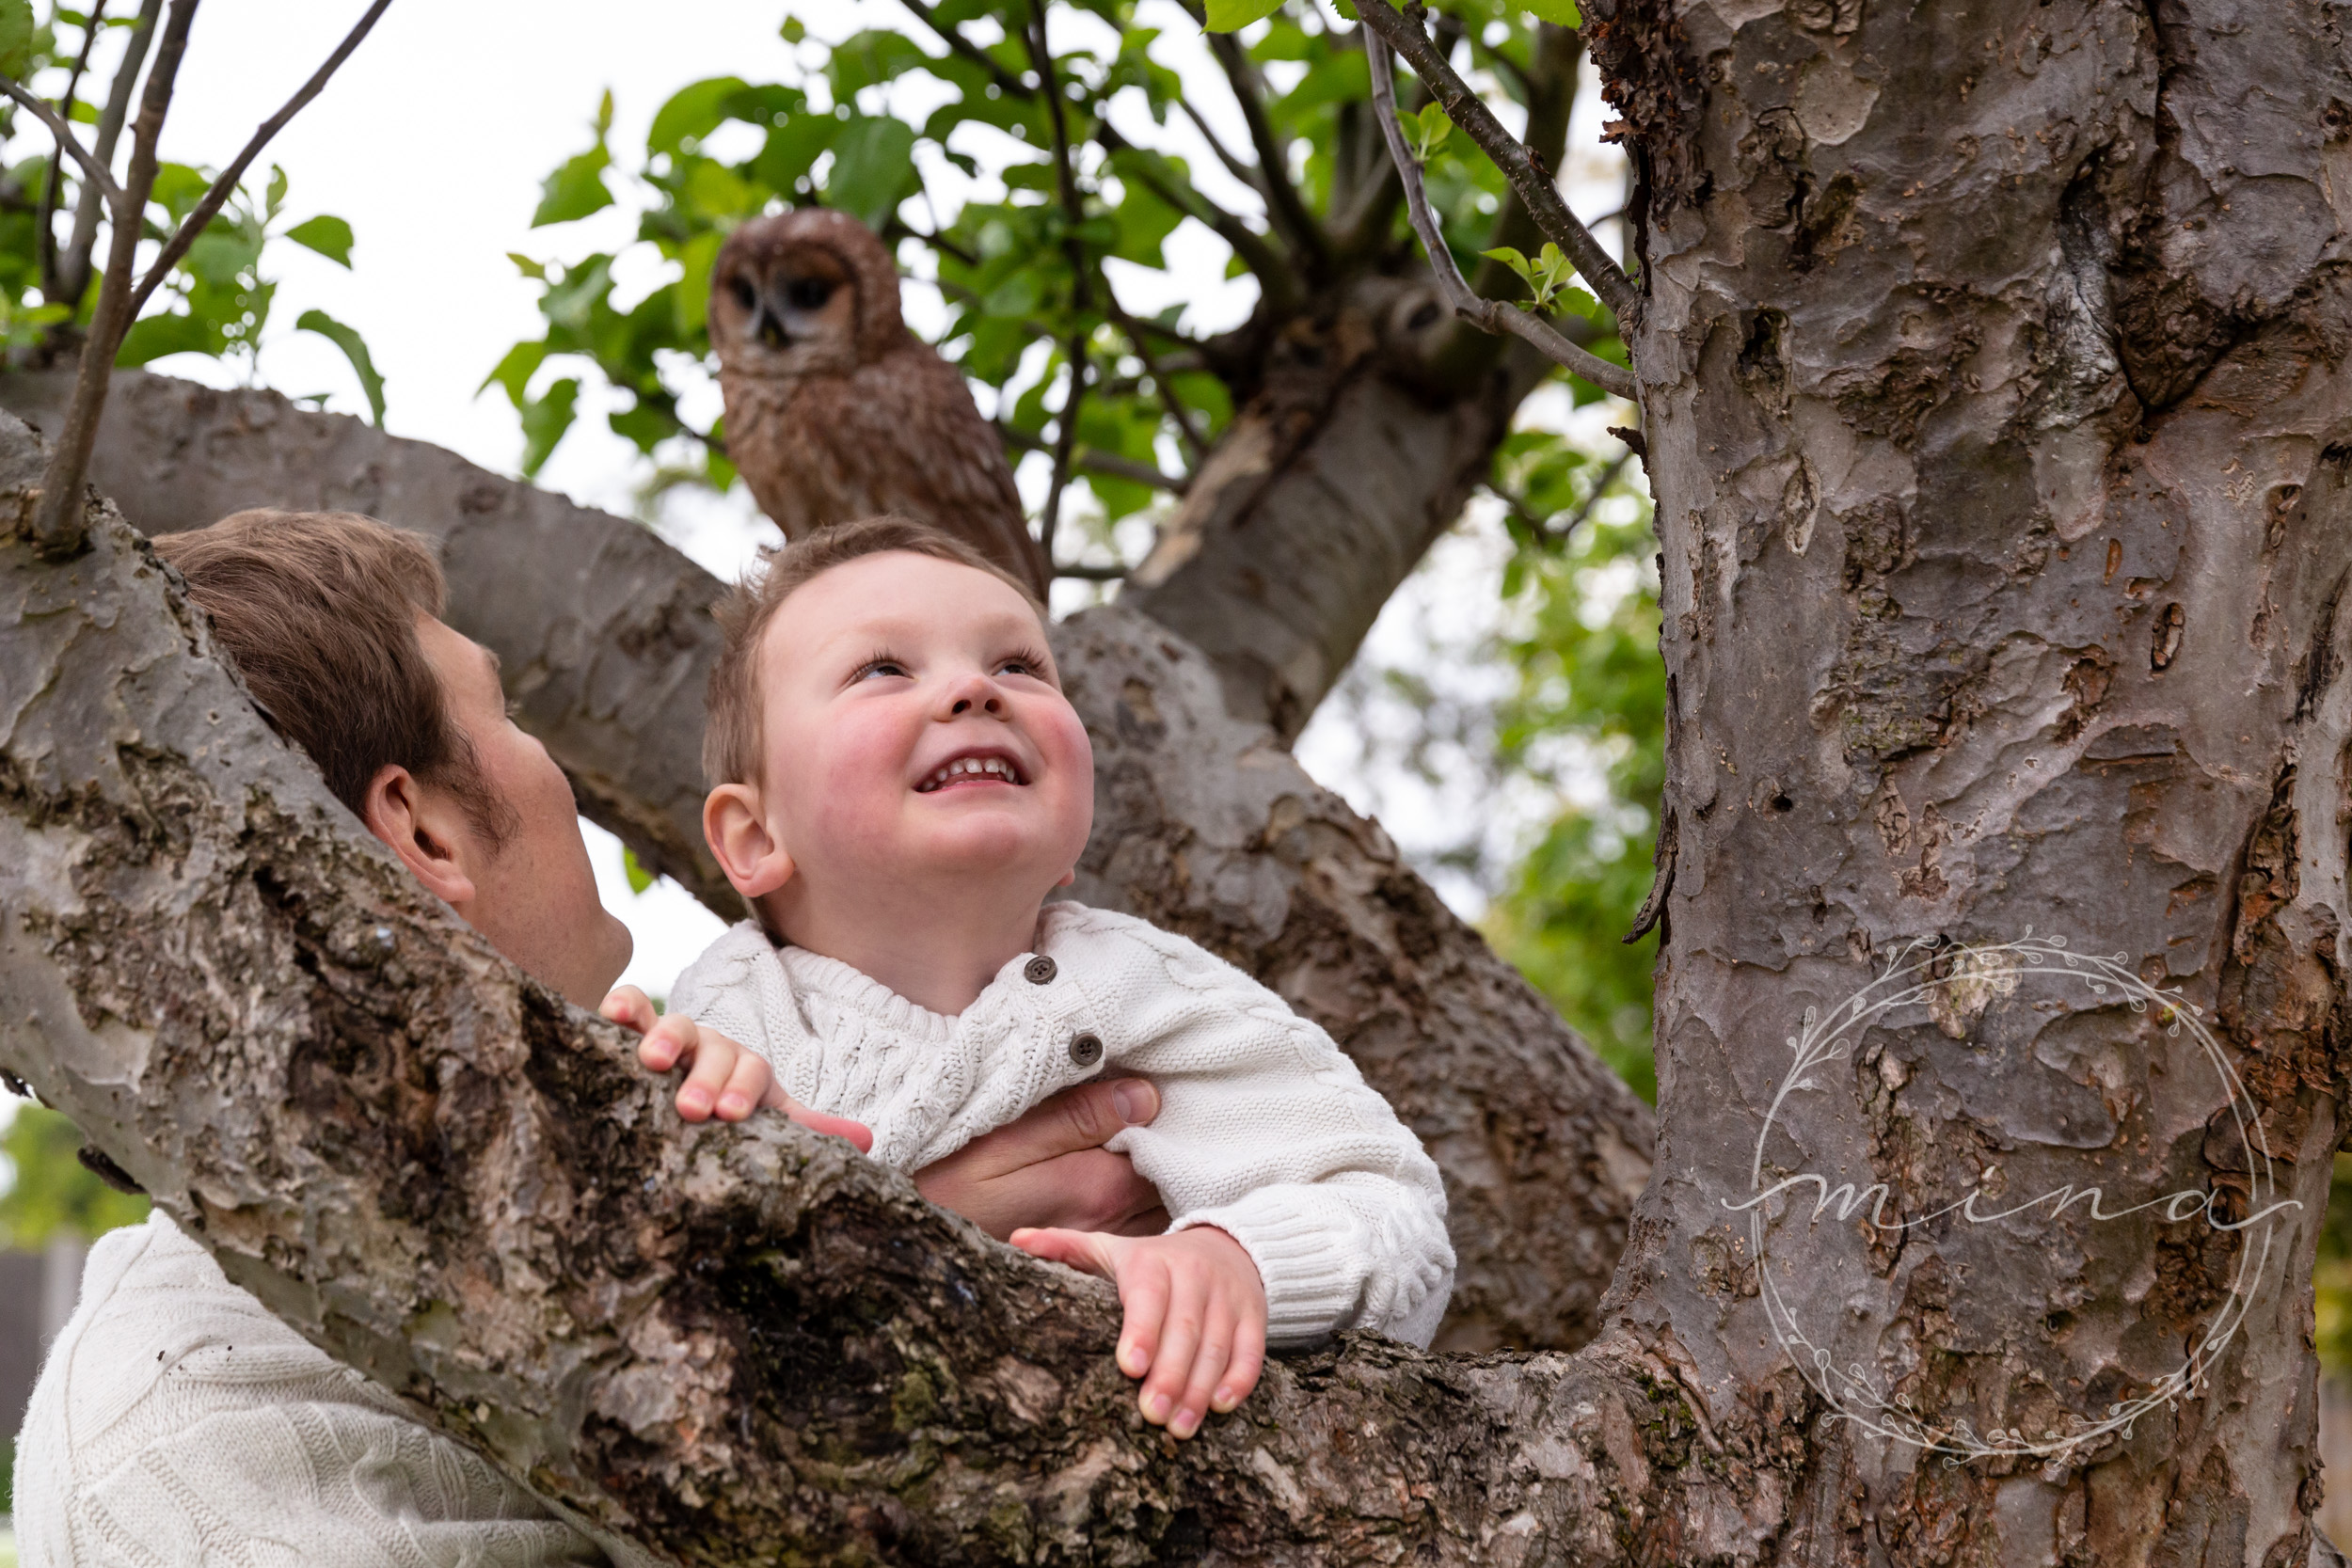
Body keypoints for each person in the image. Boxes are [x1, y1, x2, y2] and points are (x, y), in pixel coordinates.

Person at [13, 509, 1168, 1567]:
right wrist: (889, 1302)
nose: (560, 769)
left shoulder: (636, 1140)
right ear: (422, 827)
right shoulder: (183, 1446)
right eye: (506, 713)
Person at [664, 516, 1455, 1444]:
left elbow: (1394, 1211)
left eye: (1019, 666)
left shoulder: (1151, 991)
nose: (972, 688)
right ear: (755, 838)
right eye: (882, 667)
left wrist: (1238, 1257)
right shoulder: (725, 1022)